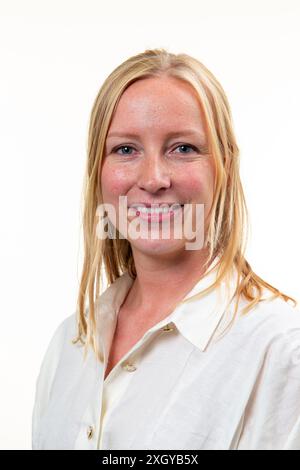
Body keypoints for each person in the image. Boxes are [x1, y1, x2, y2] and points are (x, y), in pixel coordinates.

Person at [31, 48, 300, 450]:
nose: (154, 178)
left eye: (183, 148)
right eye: (125, 149)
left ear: (223, 167)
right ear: (98, 171)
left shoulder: (281, 349)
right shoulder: (72, 340)